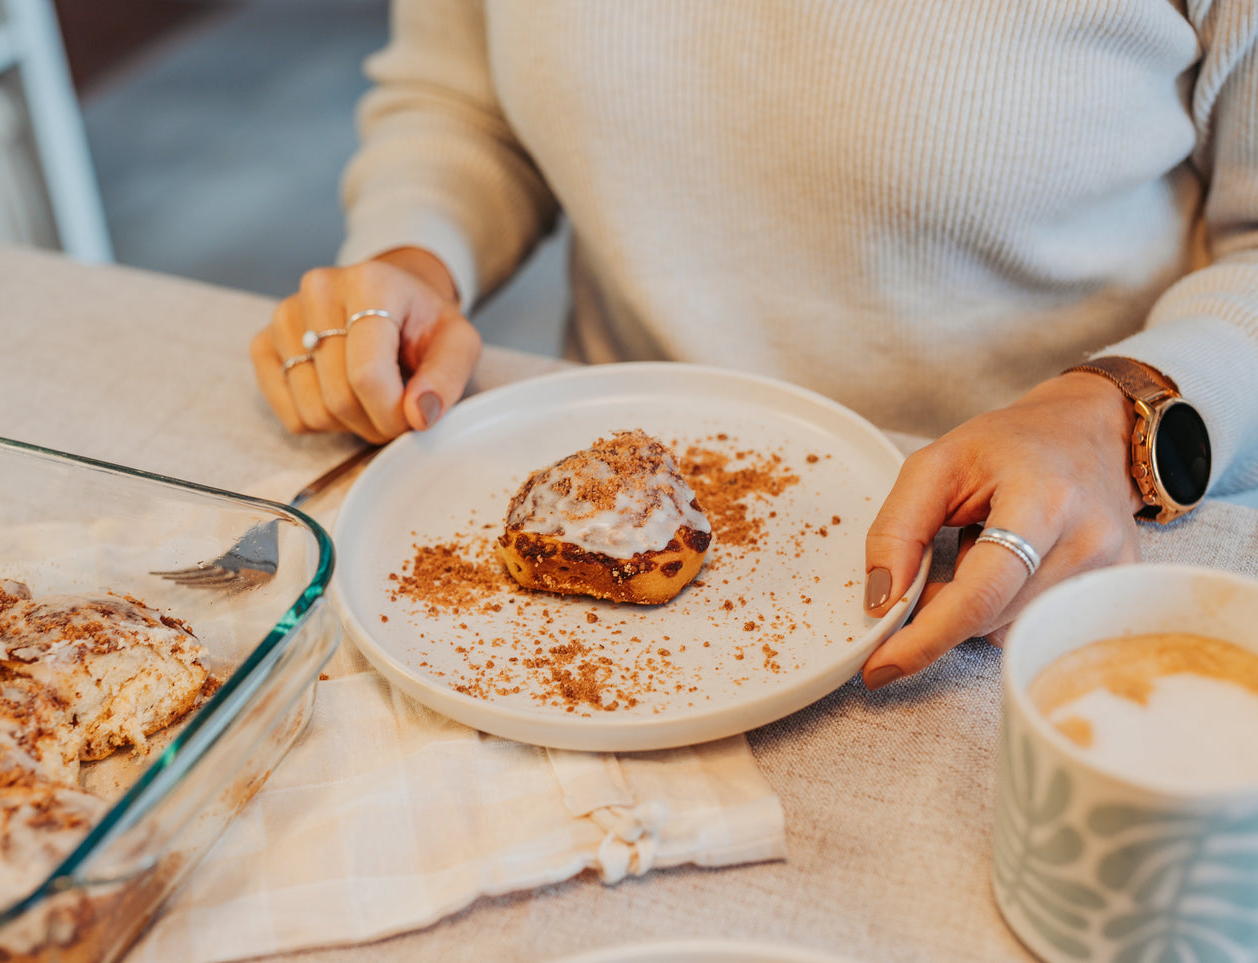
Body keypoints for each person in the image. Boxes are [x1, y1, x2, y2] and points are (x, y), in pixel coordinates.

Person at [250, 0, 1258, 690]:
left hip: (1017, 580)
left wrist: (1114, 411)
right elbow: (458, 101)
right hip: (596, 593)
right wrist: (417, 255)